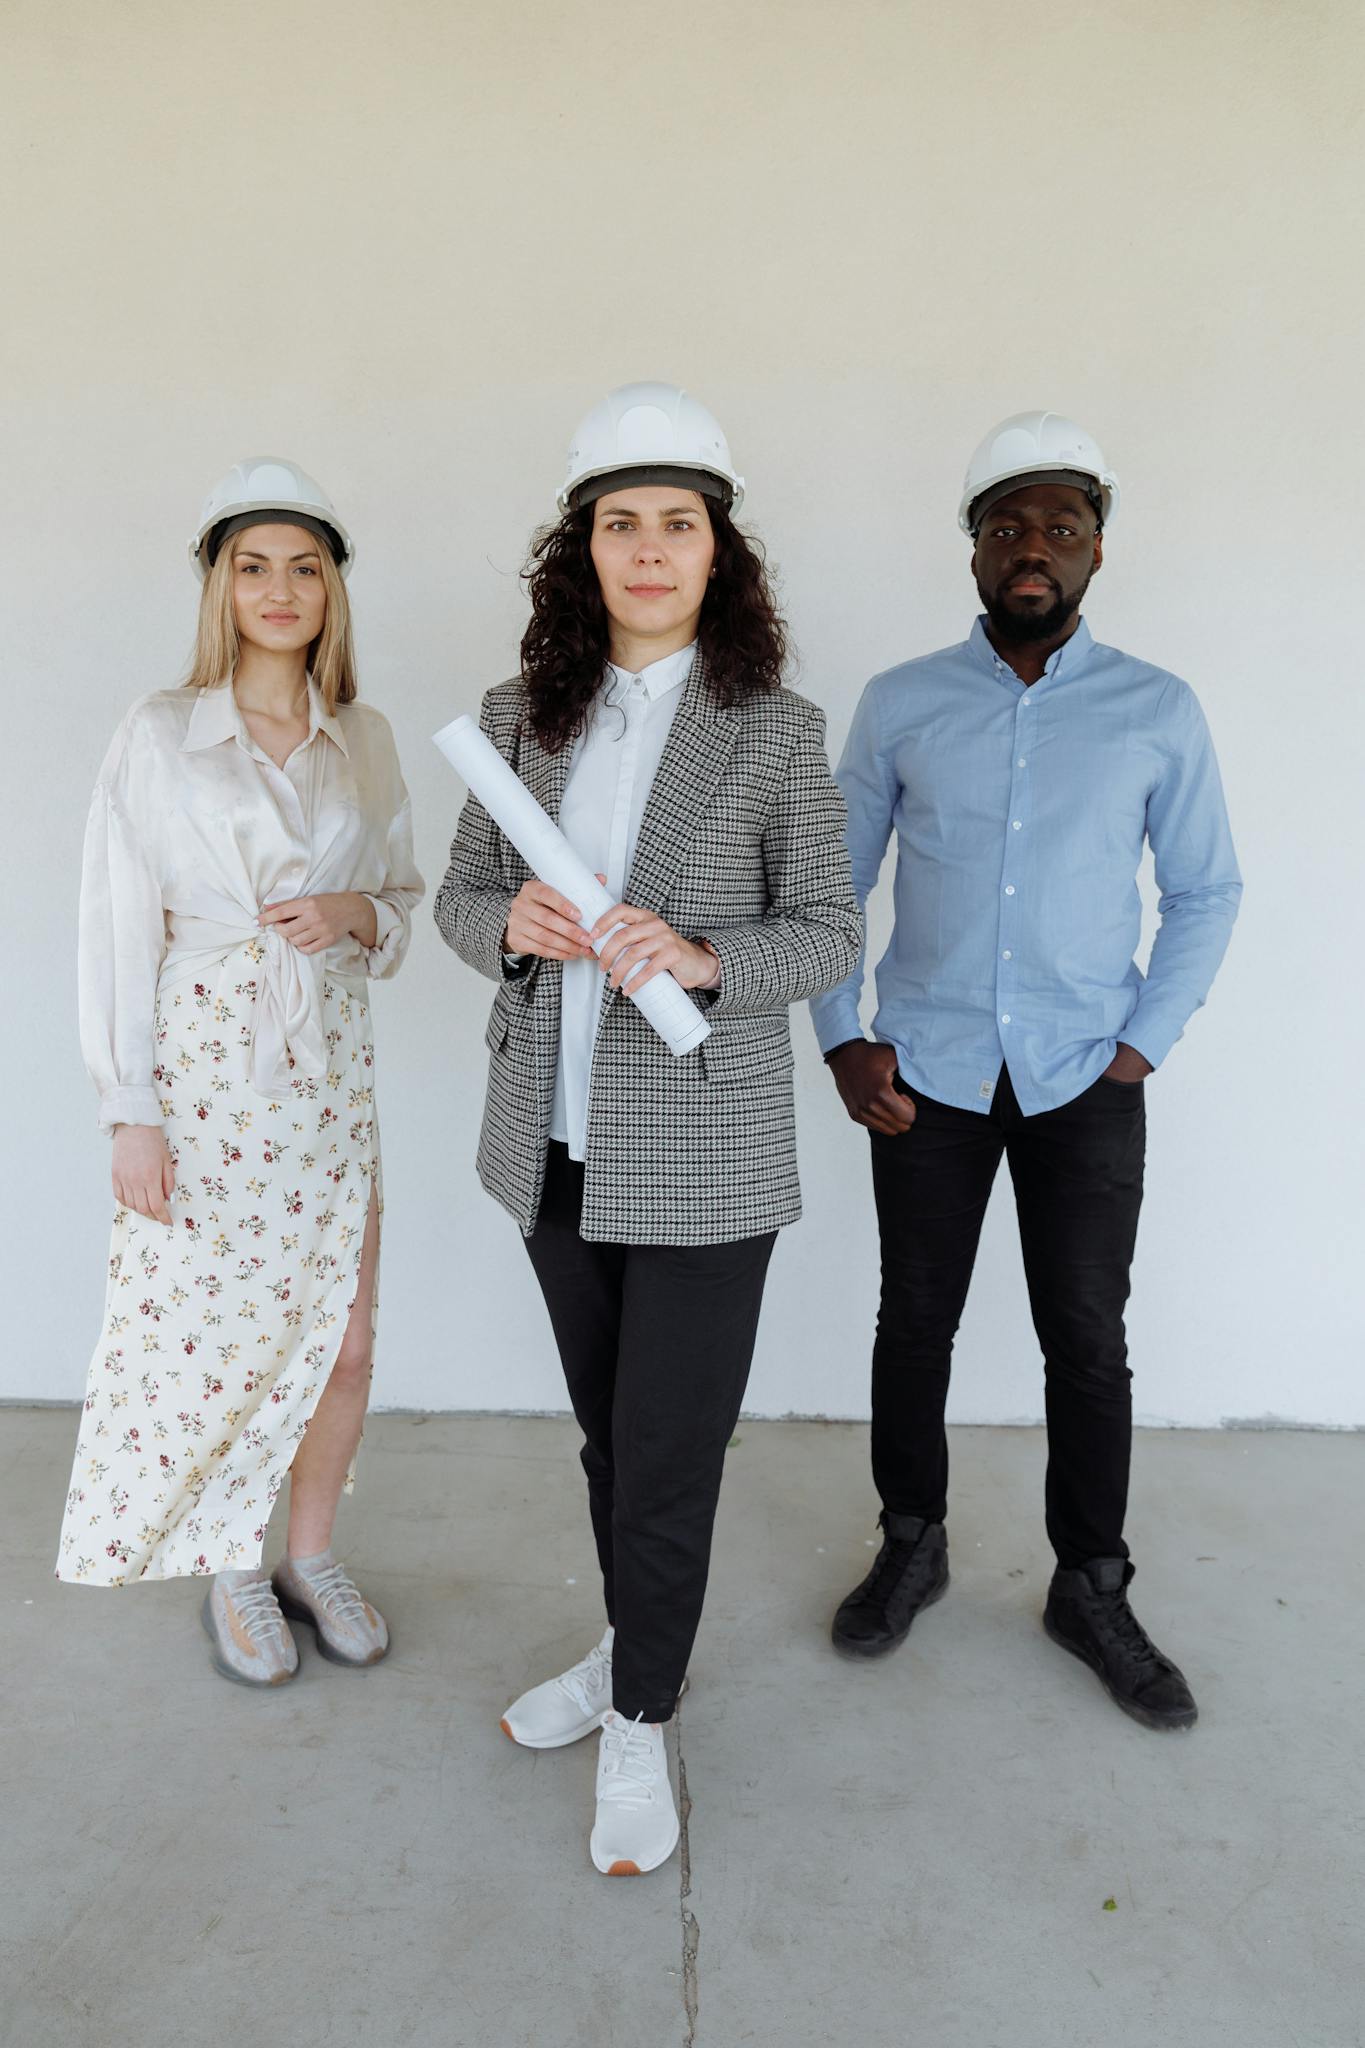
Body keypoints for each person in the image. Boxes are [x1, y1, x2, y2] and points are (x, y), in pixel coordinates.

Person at [434, 382, 860, 1873]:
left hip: (707, 1140)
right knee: (609, 1442)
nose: (650, 548)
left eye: (679, 523)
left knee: (666, 1453)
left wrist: (702, 960)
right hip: (551, 1137)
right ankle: (634, 1656)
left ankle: (639, 1720)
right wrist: (520, 923)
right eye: (622, 523)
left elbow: (828, 931)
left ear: (717, 550)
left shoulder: (774, 729)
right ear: (584, 548)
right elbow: (457, 900)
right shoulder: (516, 716)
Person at [811, 412, 1241, 1731]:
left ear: (1097, 547)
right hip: (925, 1069)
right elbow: (831, 884)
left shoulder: (1155, 709)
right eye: (1007, 526)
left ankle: (1090, 1584)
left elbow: (1208, 891)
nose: (1032, 548)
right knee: (914, 1319)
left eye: (1059, 525)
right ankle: (911, 1542)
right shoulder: (903, 702)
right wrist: (841, 1034)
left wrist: (1139, 1046)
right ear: (975, 550)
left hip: (1082, 1080)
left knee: (1087, 1340)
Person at [57, 457, 423, 1691]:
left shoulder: (362, 739)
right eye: (253, 566)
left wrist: (354, 912)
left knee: (347, 1341)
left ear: (332, 590)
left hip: (329, 1081)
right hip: (207, 1081)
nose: (280, 588)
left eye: (303, 566)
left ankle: (310, 1554)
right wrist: (130, 1112)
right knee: (224, 1343)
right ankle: (232, 1562)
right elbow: (115, 927)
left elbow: (402, 907)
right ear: (221, 585)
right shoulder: (160, 733)